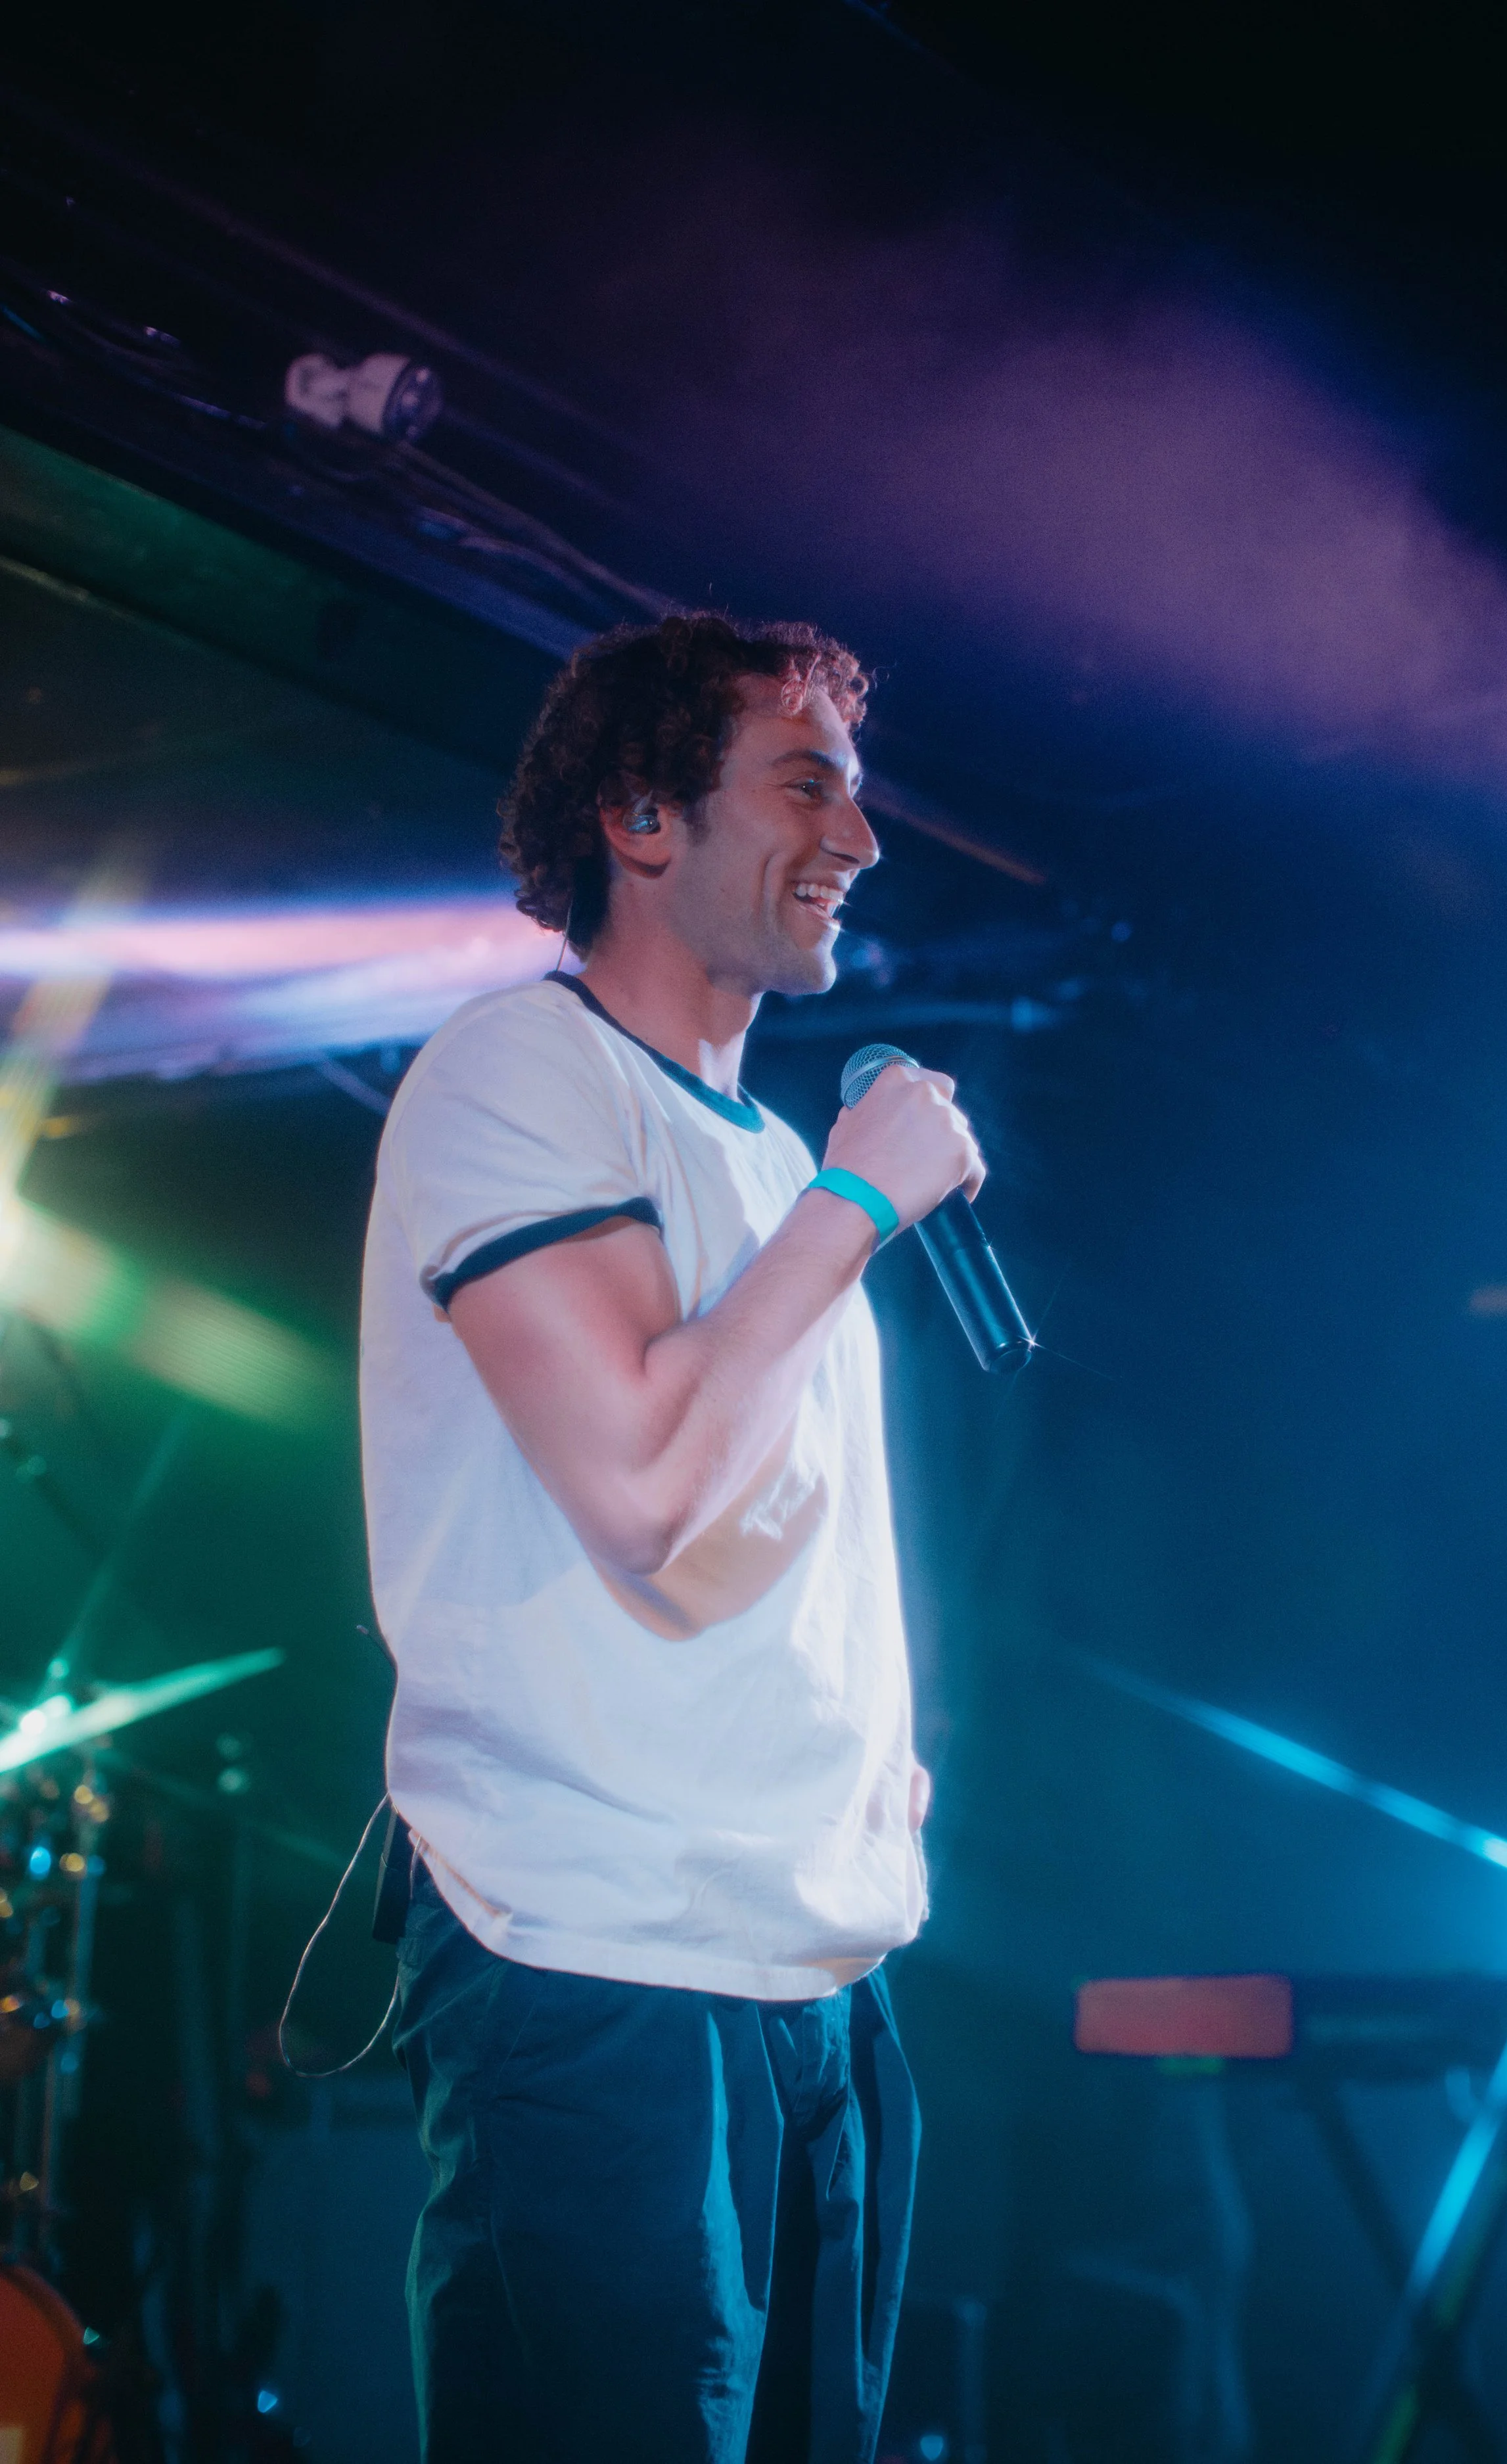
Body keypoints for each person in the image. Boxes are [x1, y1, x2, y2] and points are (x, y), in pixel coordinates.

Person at [359, 611, 984, 2463]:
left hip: (812, 1971)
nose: (860, 843)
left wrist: (876, 1769)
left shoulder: (781, 1167)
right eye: (806, 787)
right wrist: (865, 1195)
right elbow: (641, 1490)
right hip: (601, 1965)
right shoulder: (514, 1075)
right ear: (639, 819)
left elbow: (784, 1534)